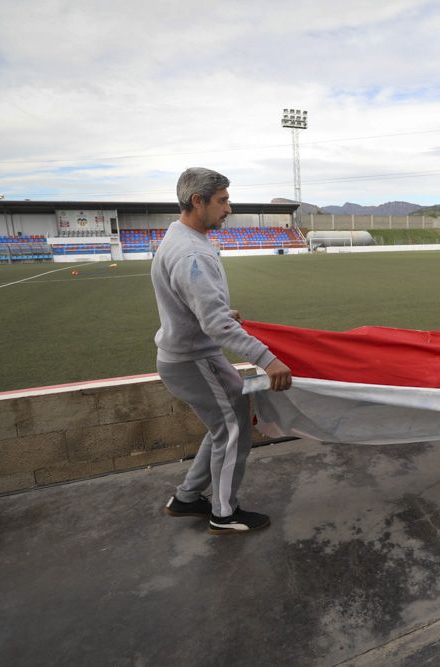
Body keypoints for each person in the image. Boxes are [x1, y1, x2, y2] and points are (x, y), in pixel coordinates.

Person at [152, 167, 292, 534]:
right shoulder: (190, 254)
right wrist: (268, 359)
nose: (228, 209)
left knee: (223, 427)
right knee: (232, 431)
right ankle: (224, 514)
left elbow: (195, 307)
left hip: (194, 353)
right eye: (222, 200)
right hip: (193, 360)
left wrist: (214, 311)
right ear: (197, 201)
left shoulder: (180, 237)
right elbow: (216, 325)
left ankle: (186, 498)